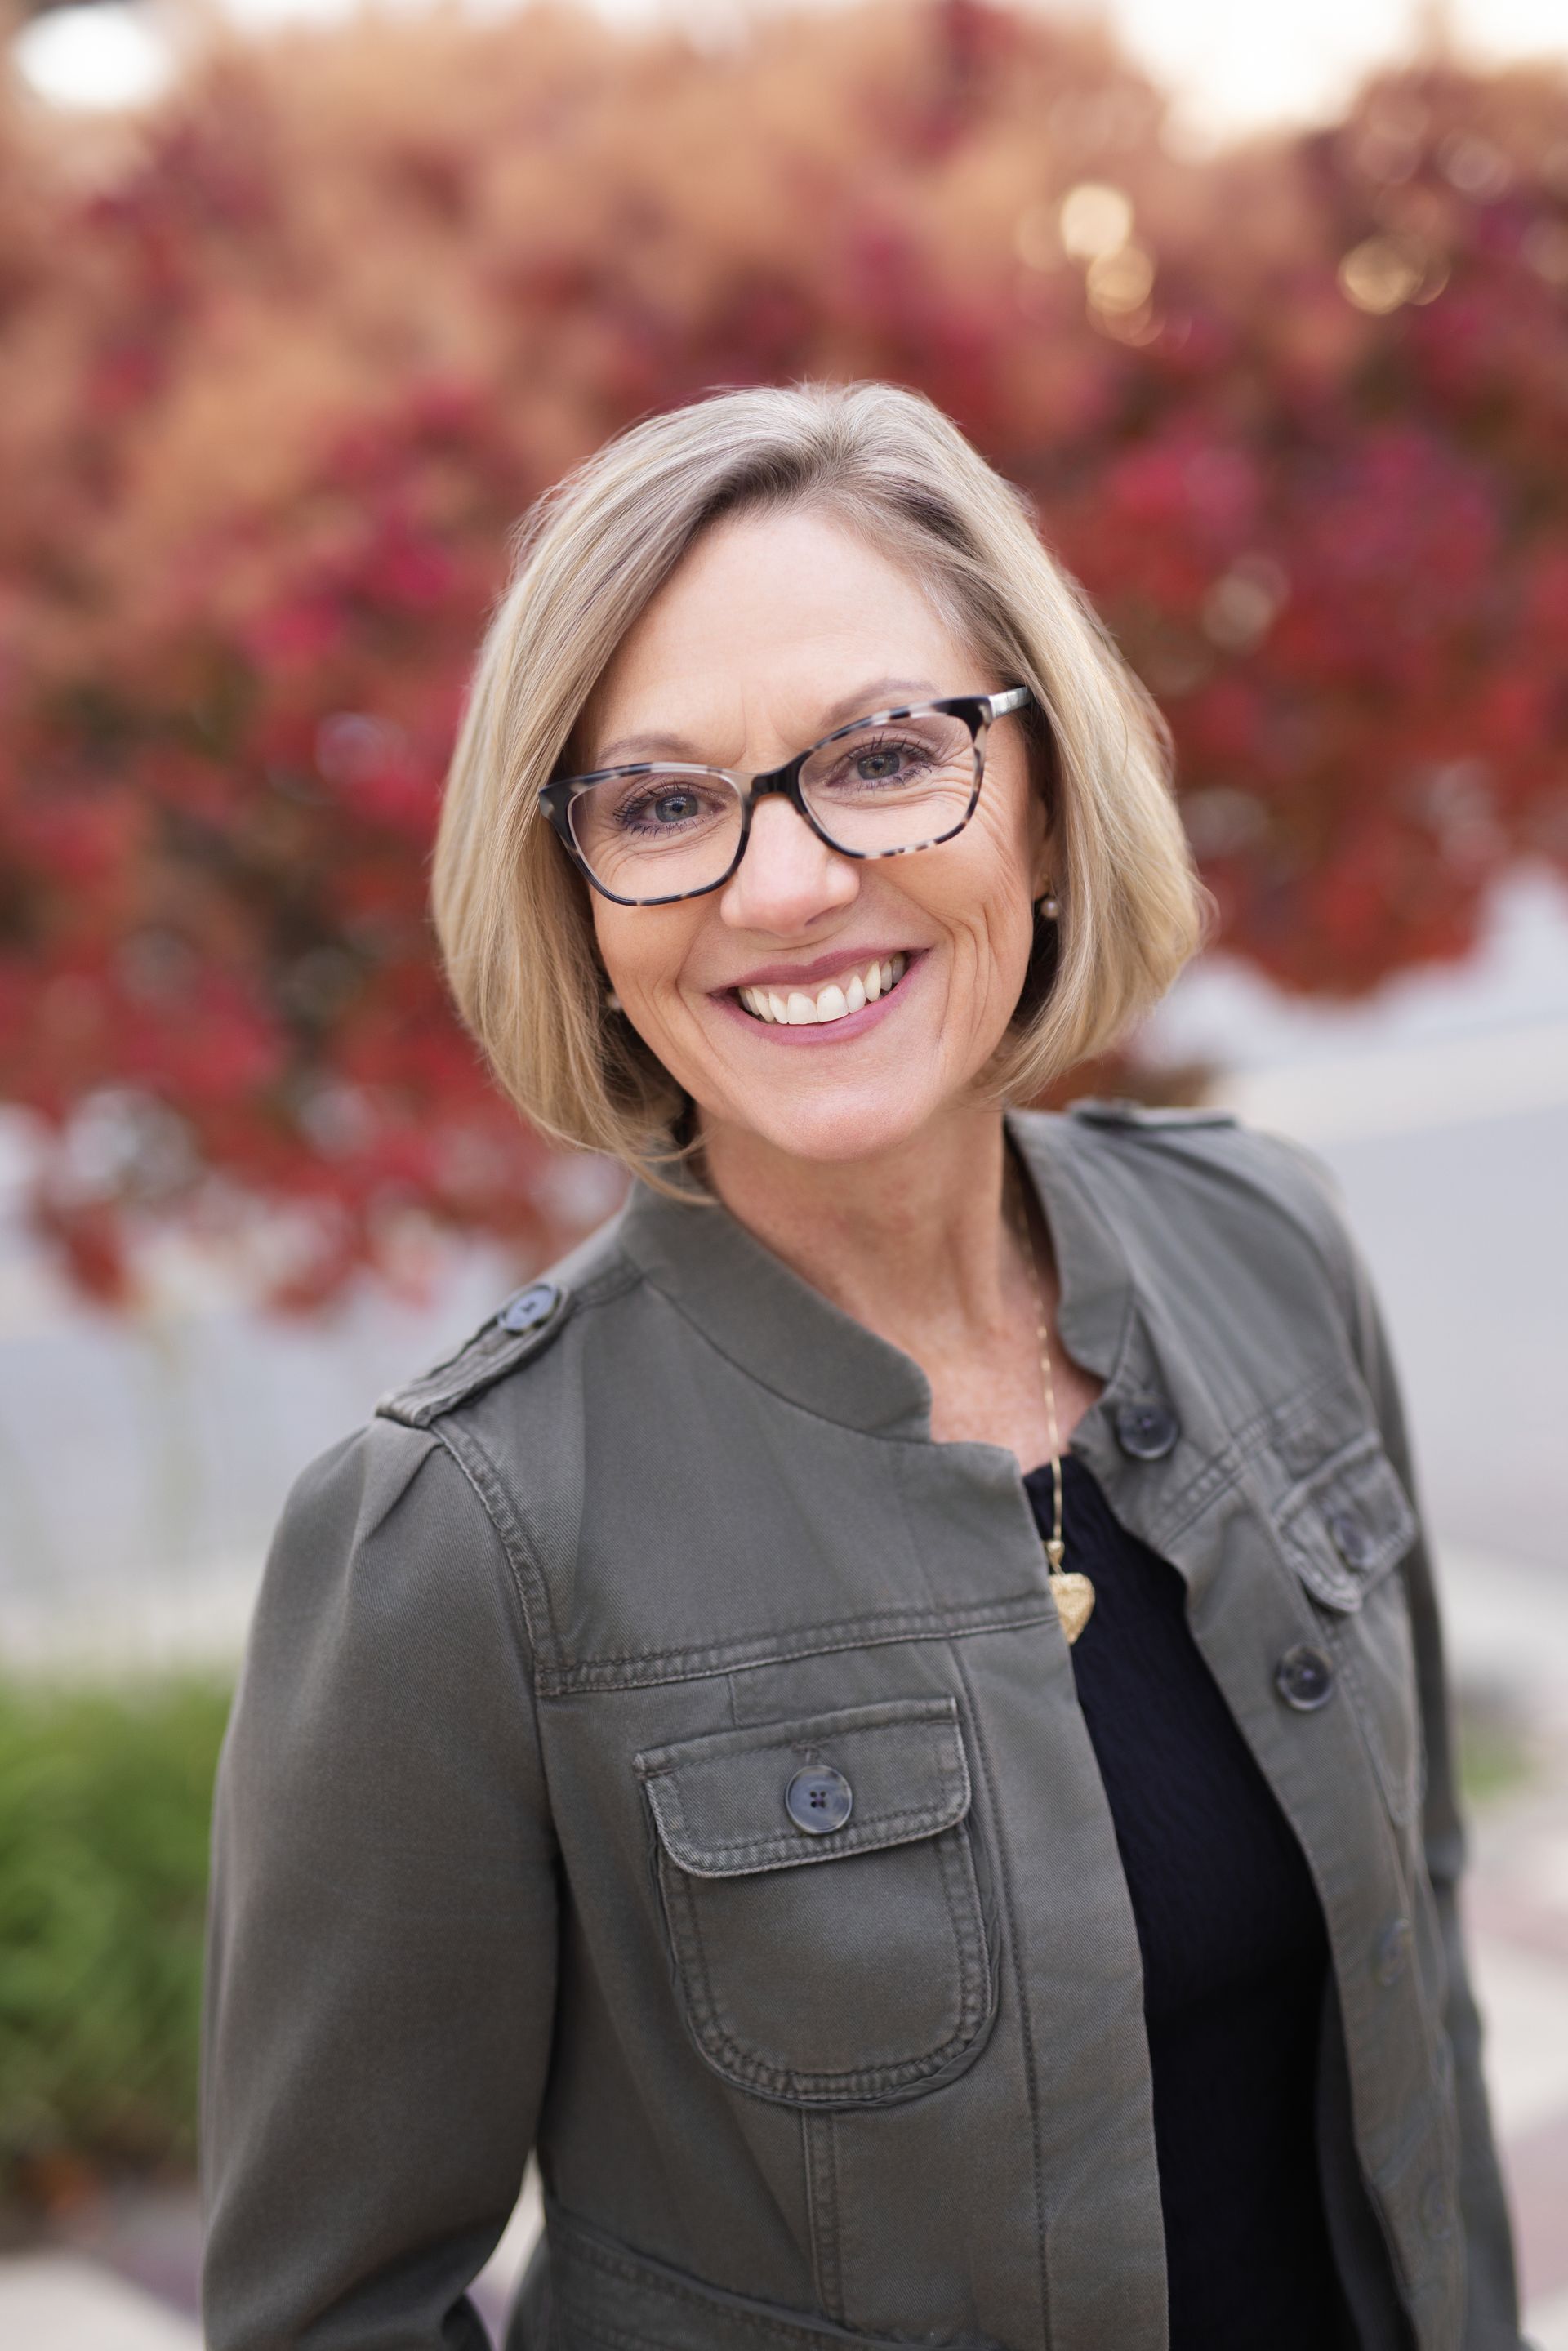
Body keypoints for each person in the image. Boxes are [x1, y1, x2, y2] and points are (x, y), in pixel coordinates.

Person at [199, 380, 1524, 2351]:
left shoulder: (1272, 1252)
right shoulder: (459, 1533)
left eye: (886, 758)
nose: (787, 882)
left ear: (1049, 794)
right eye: (661, 804)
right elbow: (331, 2312)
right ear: (575, 903)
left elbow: (1417, 1989)